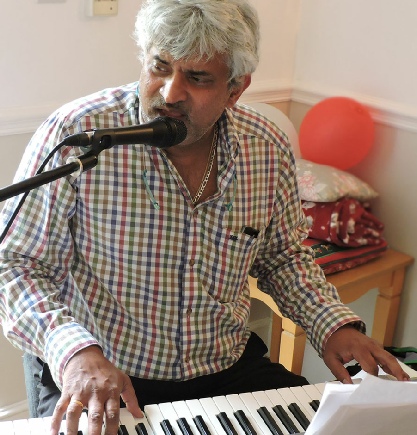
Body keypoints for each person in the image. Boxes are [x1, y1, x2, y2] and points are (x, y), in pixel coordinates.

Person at [0, 0, 409, 434]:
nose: (170, 93)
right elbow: (15, 264)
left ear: (236, 88)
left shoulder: (265, 147)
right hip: (103, 372)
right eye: (160, 66)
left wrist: (332, 324)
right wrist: (75, 352)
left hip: (224, 370)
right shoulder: (78, 136)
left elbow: (282, 257)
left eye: (197, 78)